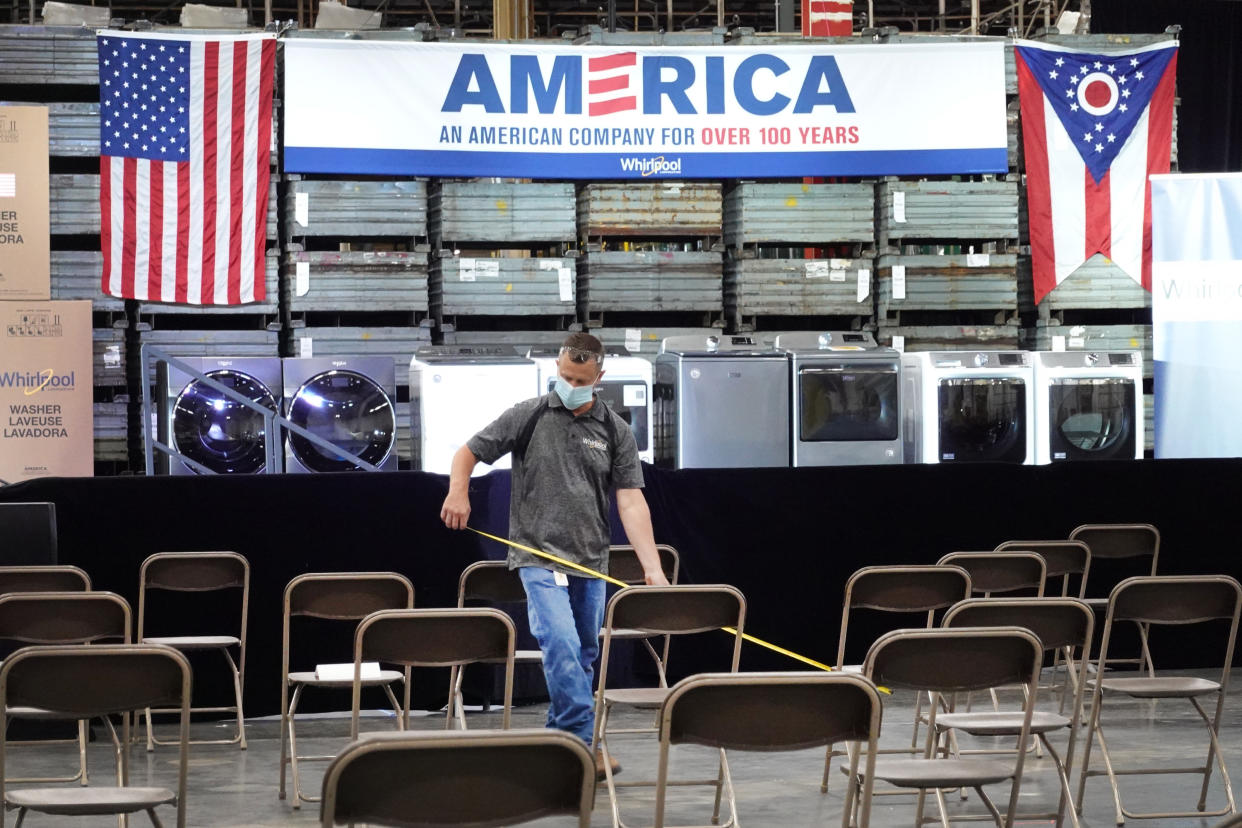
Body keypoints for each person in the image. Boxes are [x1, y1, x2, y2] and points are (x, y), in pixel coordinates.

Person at [440, 332, 669, 778]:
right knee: (561, 645)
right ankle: (585, 749)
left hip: (589, 561)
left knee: (582, 654)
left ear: (598, 378)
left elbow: (631, 501)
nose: (567, 384)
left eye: (579, 379)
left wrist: (652, 568)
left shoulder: (615, 431)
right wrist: (458, 492)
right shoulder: (528, 415)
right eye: (563, 375)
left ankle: (558, 743)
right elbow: (467, 453)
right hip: (536, 557)